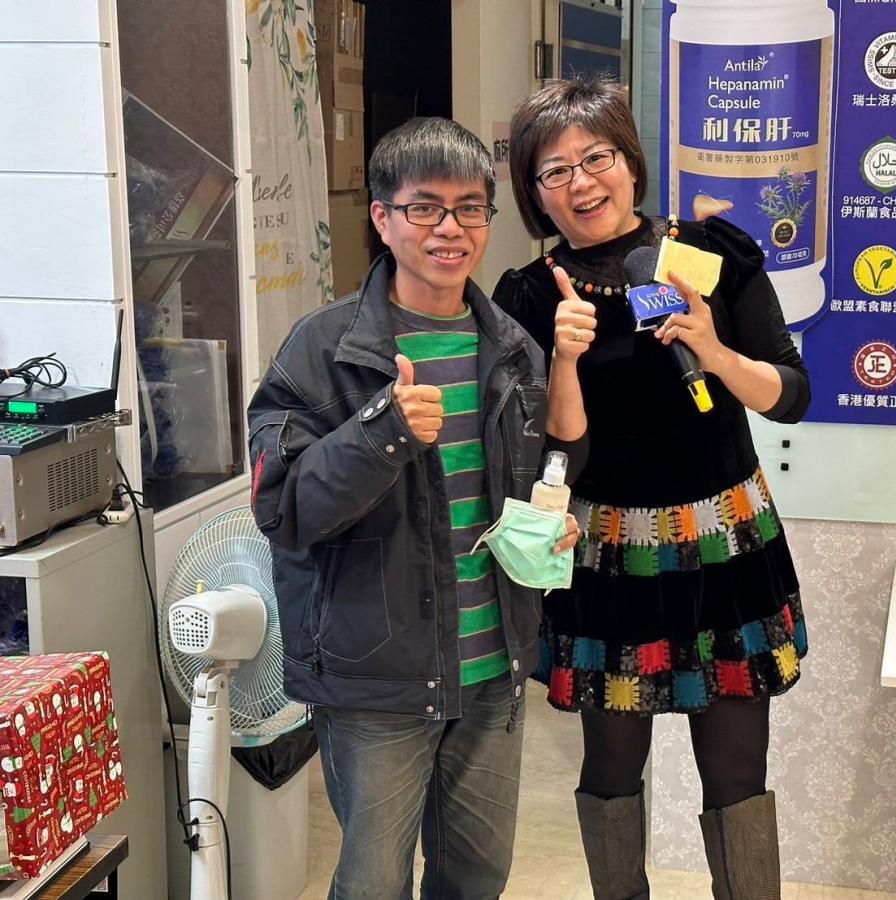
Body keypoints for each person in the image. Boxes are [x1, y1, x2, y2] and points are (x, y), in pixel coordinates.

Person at [494, 76, 811, 900]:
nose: (581, 182)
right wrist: (564, 359)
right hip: (612, 555)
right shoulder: (528, 297)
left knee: (737, 768)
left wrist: (715, 350)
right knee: (611, 765)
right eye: (554, 170)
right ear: (534, 194)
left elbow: (791, 395)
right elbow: (554, 457)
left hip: (725, 541)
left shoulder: (707, 256)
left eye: (596, 157)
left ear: (630, 162)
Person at [247, 117, 581, 899]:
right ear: (383, 217)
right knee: (373, 883)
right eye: (425, 207)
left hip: (492, 663)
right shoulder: (321, 351)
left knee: (477, 877)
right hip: (376, 674)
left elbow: (526, 479)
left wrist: (547, 524)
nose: (449, 229)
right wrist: (382, 432)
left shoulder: (513, 349)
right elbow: (283, 509)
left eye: (469, 209)